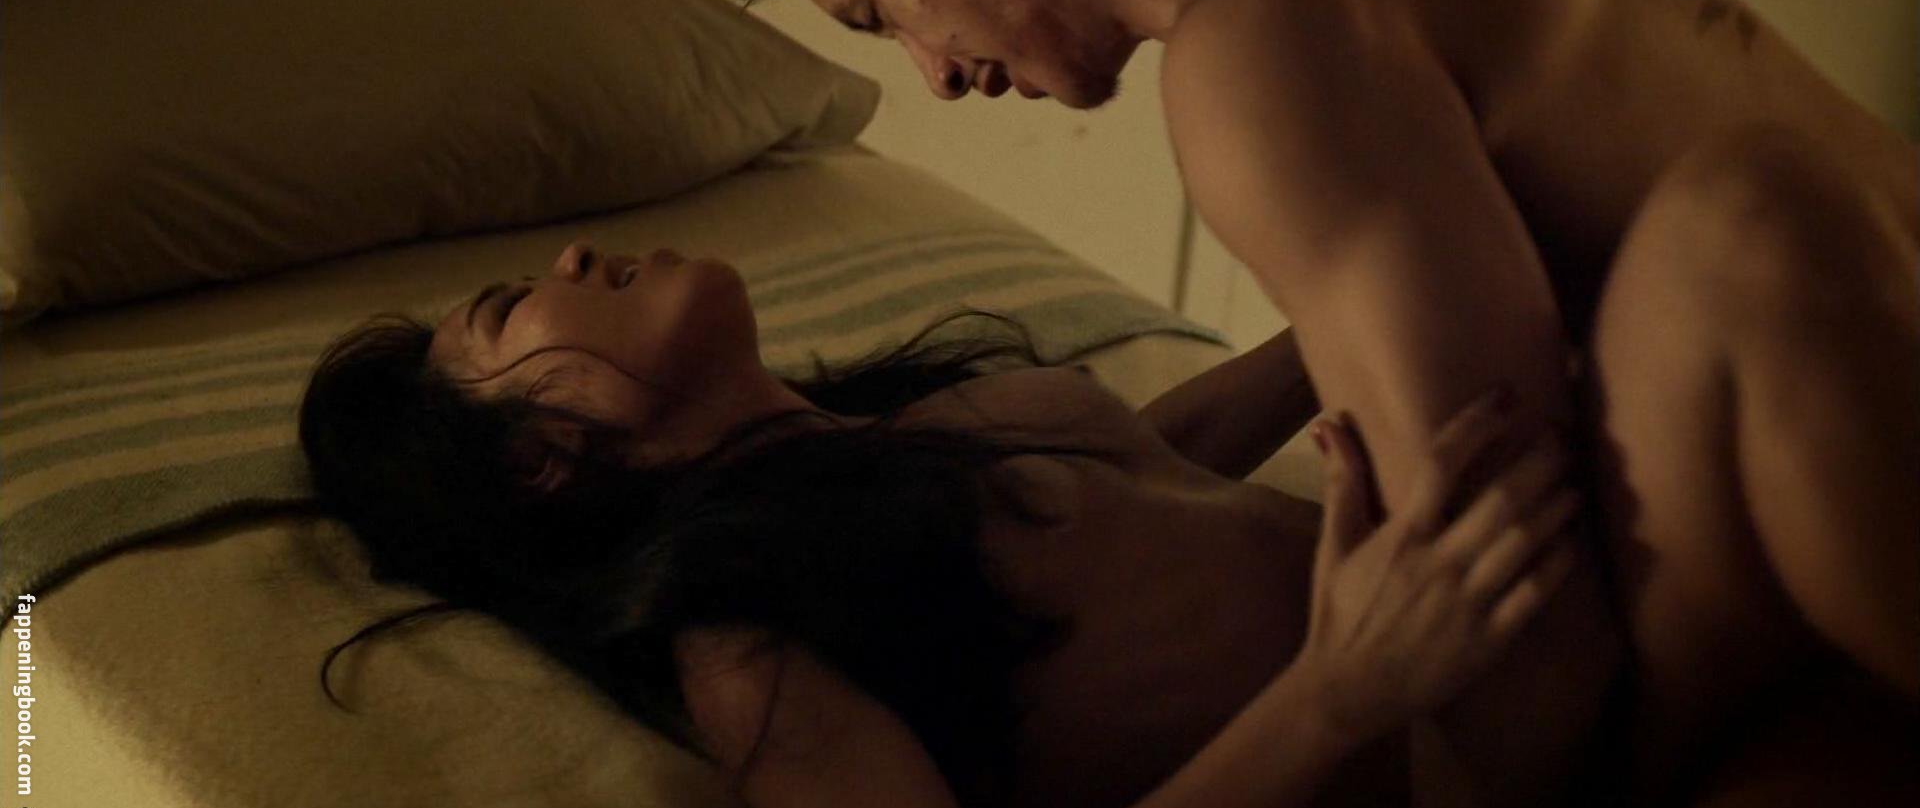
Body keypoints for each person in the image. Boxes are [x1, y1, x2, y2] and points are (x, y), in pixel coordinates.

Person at [697, 0, 1920, 804]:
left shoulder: (1257, 47)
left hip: (1786, 477)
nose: (935, 73)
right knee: (1745, 219)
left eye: (879, 12)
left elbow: (1516, 640)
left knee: (1746, 224)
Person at [301, 240, 1586, 808]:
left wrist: (1345, 315)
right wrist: (1343, 690)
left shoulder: (915, 436)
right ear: (538, 458)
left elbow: (1139, 475)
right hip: (1488, 751)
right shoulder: (746, 640)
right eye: (516, 303)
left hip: (1530, 642)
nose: (577, 257)